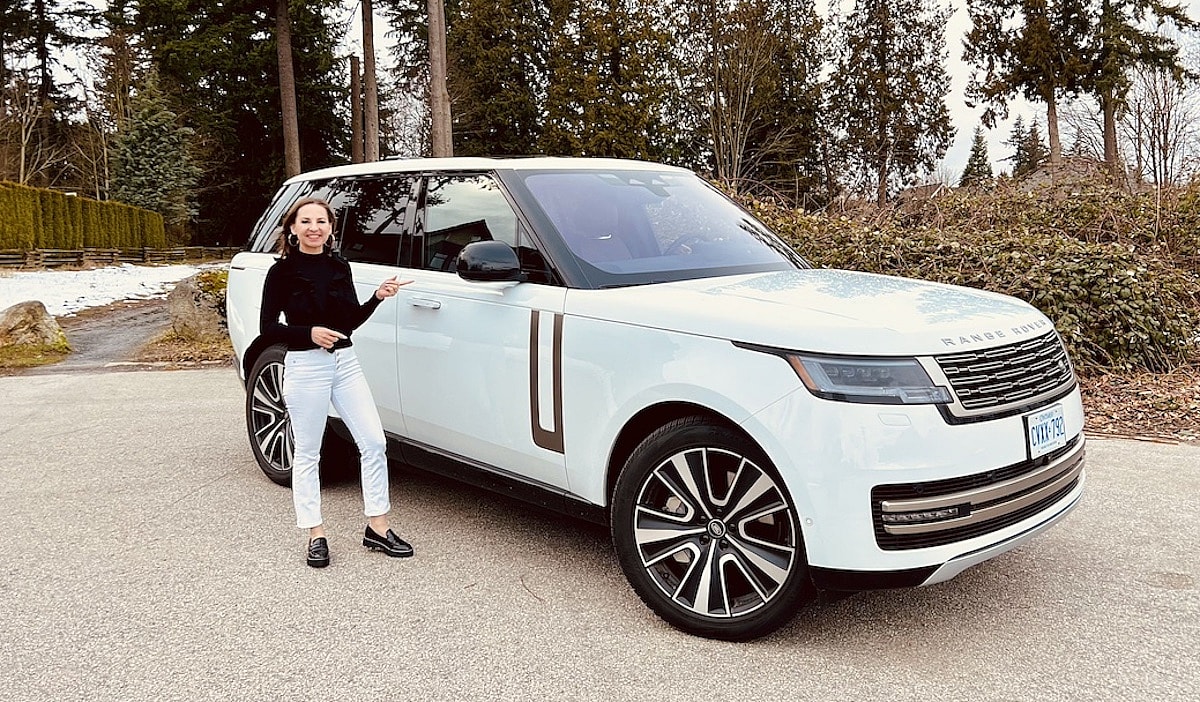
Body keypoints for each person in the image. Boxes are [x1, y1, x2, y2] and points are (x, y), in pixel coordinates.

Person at [259, 197, 414, 568]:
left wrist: (377, 298)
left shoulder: (339, 267)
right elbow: (268, 329)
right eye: (306, 221)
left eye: (321, 221)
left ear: (330, 228)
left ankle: (378, 527)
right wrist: (308, 333)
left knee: (374, 442)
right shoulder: (281, 272)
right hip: (305, 366)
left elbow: (349, 321)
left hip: (346, 364)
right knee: (309, 452)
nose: (314, 227)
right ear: (293, 228)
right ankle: (315, 533)